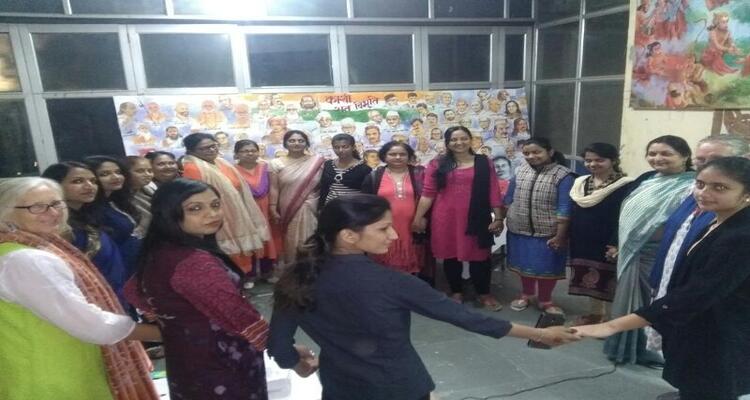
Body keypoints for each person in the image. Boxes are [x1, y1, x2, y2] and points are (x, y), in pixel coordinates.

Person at [268, 194, 581, 400]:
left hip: (340, 387)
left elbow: (279, 347)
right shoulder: (393, 282)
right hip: (399, 386)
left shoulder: (295, 279)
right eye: (384, 229)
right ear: (349, 235)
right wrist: (542, 334)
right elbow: (469, 319)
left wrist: (297, 364)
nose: (394, 236)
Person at [576, 157, 750, 400]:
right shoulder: (717, 219)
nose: (703, 193)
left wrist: (610, 326)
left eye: (720, 187)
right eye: (700, 184)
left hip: (721, 331)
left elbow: (696, 295)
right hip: (700, 324)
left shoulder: (741, 237)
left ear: (746, 194)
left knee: (710, 385)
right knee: (694, 382)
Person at [0, 177, 160, 400]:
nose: (53, 213)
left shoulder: (17, 249)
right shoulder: (27, 259)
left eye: (56, 203)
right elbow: (92, 324)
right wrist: (166, 333)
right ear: (5, 213)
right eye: (36, 207)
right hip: (53, 379)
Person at [124, 179, 270, 400]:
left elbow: (133, 290)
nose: (212, 214)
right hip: (219, 358)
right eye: (195, 208)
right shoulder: (193, 261)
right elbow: (237, 314)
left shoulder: (161, 249)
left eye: (215, 205)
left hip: (185, 355)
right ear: (169, 214)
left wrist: (173, 320)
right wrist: (282, 349)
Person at [645, 134, 748, 357]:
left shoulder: (736, 218)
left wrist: (613, 325)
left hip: (711, 308)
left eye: (716, 159)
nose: (707, 165)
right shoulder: (696, 193)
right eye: (701, 160)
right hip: (676, 284)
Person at [603, 135, 696, 365]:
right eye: (652, 153)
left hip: (660, 254)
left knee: (652, 300)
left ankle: (650, 349)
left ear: (685, 156)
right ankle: (624, 347)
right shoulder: (647, 178)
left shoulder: (693, 184)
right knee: (628, 299)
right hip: (633, 250)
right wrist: (618, 243)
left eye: (666, 154)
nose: (657, 158)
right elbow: (628, 213)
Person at [411, 126, 504, 311]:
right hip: (446, 218)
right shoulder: (437, 164)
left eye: (463, 138)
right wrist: (418, 217)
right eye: (453, 139)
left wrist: (498, 218)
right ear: (447, 143)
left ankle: (484, 293)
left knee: (480, 256)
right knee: (450, 256)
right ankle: (456, 291)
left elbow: (493, 191)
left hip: (477, 218)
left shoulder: (484, 162)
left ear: (471, 140)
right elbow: (428, 193)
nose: (459, 143)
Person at [498, 138, 574, 315]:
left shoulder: (564, 175)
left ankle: (545, 300)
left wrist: (560, 236)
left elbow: (564, 208)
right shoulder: (521, 170)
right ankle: (526, 295)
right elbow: (508, 198)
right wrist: (500, 219)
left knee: (547, 268)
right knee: (524, 266)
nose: (531, 156)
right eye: (526, 153)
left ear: (550, 152)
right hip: (519, 229)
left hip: (549, 233)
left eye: (536, 152)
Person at [41, 162, 130, 305]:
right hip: (91, 298)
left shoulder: (91, 214)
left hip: (117, 291)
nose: (89, 186)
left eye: (93, 181)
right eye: (78, 181)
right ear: (54, 185)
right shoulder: (56, 225)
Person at [181, 133, 270, 274]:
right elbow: (198, 199)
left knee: (242, 252)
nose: (211, 150)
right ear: (191, 151)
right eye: (204, 148)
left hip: (237, 212)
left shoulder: (222, 162)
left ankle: (243, 278)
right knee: (225, 255)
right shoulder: (192, 168)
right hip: (216, 217)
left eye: (213, 146)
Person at [567, 143, 635, 324]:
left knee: (611, 281)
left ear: (613, 161)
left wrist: (617, 243)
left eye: (599, 160)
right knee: (591, 280)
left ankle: (614, 320)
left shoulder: (626, 185)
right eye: (588, 160)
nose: (592, 164)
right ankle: (596, 314)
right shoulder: (581, 183)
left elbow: (626, 216)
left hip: (609, 240)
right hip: (583, 239)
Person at [362, 142, 432, 277]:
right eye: (393, 154)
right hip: (384, 227)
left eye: (402, 154)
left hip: (414, 226)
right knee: (384, 267)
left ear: (409, 156)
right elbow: (366, 203)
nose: (398, 157)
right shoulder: (374, 177)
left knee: (415, 265)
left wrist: (423, 218)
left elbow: (430, 197)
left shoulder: (420, 174)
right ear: (384, 156)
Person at [269, 130, 325, 272]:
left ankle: (313, 269)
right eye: (292, 140)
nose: (296, 143)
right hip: (288, 206)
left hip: (311, 205)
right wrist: (273, 207)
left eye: (301, 141)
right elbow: (274, 188)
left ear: (306, 143)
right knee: (291, 238)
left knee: (311, 236)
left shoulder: (317, 161)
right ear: (285, 143)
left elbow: (323, 185)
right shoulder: (276, 163)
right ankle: (293, 270)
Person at [83, 156, 143, 279]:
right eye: (105, 174)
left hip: (135, 266)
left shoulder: (117, 200)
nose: (115, 177)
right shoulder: (90, 209)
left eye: (118, 172)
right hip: (115, 271)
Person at [234, 139, 277, 282]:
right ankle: (250, 275)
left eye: (253, 150)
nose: (250, 153)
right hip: (244, 209)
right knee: (249, 239)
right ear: (236, 154)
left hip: (265, 208)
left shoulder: (266, 167)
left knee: (267, 240)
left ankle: (267, 272)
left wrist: (273, 207)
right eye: (245, 151)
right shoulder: (232, 170)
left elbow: (274, 188)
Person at [319, 133, 371, 209]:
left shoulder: (364, 168)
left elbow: (367, 194)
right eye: (336, 147)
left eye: (345, 147)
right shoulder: (328, 165)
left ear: (353, 147)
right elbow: (324, 188)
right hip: (330, 208)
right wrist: (320, 208)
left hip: (354, 210)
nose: (340, 150)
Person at [126, 156, 156, 235]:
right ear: (125, 173)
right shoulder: (122, 198)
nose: (147, 174)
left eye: (150, 171)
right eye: (140, 171)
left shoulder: (151, 190)